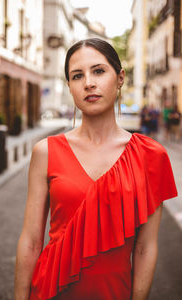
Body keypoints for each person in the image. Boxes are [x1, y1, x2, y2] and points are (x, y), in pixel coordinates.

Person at [14, 38, 177, 300]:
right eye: (77, 76)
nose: (88, 82)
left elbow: (146, 248)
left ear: (120, 77)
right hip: (49, 291)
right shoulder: (45, 151)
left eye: (99, 71)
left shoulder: (150, 156)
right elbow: (31, 242)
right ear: (70, 86)